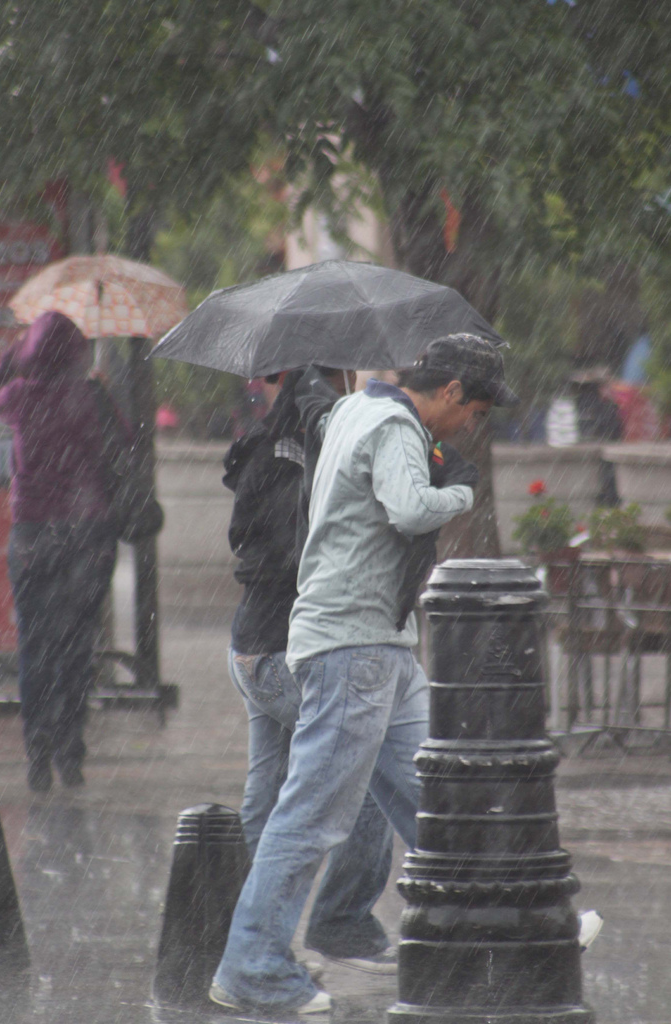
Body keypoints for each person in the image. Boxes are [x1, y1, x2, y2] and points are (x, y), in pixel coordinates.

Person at [209, 334, 519, 1015]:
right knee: (313, 815)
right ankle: (252, 966)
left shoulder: (355, 409)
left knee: (436, 793)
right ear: (449, 392)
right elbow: (408, 509)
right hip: (354, 647)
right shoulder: (390, 423)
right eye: (472, 412)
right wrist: (459, 490)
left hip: (379, 644)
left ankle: (510, 924)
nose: (470, 425)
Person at [222, 366, 396, 975]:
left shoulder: (277, 442)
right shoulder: (301, 452)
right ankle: (340, 920)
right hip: (282, 650)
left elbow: (251, 539)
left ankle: (239, 930)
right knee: (365, 763)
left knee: (268, 790)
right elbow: (289, 549)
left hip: (258, 644)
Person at [0, 311, 127, 792]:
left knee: (35, 645)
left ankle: (37, 752)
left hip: (32, 536)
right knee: (76, 644)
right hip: (87, 534)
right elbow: (125, 443)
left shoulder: (19, 397)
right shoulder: (90, 395)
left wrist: (12, 357)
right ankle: (70, 751)